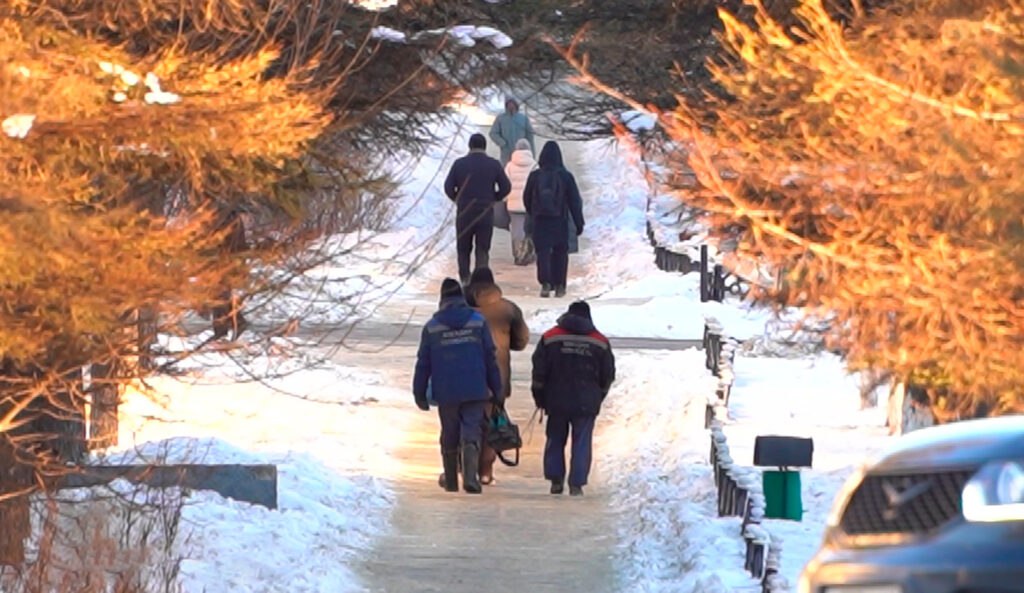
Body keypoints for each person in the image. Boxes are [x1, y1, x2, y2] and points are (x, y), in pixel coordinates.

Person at [413, 278, 504, 494]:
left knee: (450, 431)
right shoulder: (478, 322)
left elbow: (423, 362)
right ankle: (471, 477)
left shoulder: (432, 327)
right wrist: (497, 388)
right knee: (471, 429)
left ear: (442, 299)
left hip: (446, 389)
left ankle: (452, 479)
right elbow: (490, 358)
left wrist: (419, 393)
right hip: (475, 386)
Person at [531, 301, 615, 496]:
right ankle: (576, 483)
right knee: (582, 441)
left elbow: (539, 370)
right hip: (586, 401)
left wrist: (539, 396)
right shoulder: (600, 341)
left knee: (555, 438)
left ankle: (556, 479)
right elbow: (607, 374)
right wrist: (599, 395)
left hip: (556, 399)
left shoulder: (550, 338)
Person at [464, 267, 529, 485]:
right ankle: (485, 471)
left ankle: (465, 467)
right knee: (492, 424)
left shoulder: (461, 308)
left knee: (465, 421)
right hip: (497, 378)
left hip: (464, 374)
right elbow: (521, 342)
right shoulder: (508, 309)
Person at [444, 133, 512, 284]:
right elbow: (506, 187)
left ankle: (465, 279)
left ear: (470, 146)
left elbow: (448, 187)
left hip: (465, 211)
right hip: (485, 211)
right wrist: (494, 198)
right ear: (484, 146)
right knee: (482, 248)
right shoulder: (493, 164)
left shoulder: (459, 164)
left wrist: (458, 199)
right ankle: (481, 281)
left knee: (463, 248)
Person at [523, 140, 584, 298]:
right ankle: (560, 285)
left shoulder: (535, 176)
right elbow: (574, 201)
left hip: (540, 221)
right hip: (560, 220)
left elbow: (526, 198)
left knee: (542, 252)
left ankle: (545, 283)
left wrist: (533, 212)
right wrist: (579, 223)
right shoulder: (565, 176)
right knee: (560, 252)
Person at [504, 138, 537, 266]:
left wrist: (506, 198)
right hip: (529, 204)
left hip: (513, 204)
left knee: (516, 231)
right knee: (529, 230)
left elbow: (505, 184)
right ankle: (528, 253)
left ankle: (517, 254)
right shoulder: (534, 165)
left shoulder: (510, 166)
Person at [489, 97, 536, 166]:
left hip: (521, 152)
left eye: (512, 103)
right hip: (506, 153)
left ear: (516, 105)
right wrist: (502, 143)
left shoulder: (523, 118)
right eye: (509, 104)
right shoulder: (501, 118)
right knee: (506, 172)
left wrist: (532, 154)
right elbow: (493, 133)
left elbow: (530, 136)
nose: (511, 106)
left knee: (521, 171)